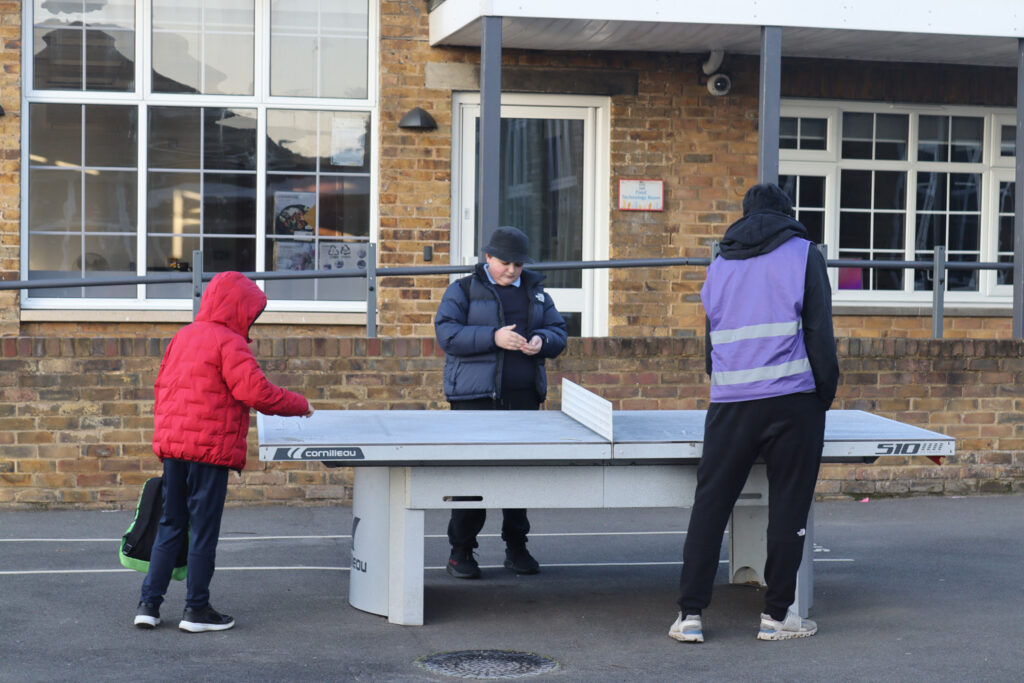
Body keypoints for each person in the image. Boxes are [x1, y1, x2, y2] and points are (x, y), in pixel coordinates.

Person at [668, 183, 840, 643]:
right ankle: (777, 616)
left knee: (711, 504)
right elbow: (819, 331)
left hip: (730, 402)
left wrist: (723, 382)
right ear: (787, 213)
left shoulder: (720, 262)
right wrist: (823, 394)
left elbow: (712, 340)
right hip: (793, 401)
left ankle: (689, 616)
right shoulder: (804, 254)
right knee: (787, 505)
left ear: (744, 216)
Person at [134, 271, 314, 632]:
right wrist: (301, 404)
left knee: (171, 524)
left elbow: (161, 388)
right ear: (239, 309)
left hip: (174, 448)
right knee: (202, 529)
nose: (252, 320)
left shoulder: (182, 337)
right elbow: (257, 393)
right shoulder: (229, 342)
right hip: (210, 450)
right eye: (251, 313)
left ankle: (148, 606)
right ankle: (196, 610)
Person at [434, 225, 568, 579]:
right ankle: (461, 552)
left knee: (518, 478)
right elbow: (447, 334)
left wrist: (542, 340)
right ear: (487, 257)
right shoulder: (461, 290)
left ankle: (517, 547)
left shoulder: (537, 293)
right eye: (505, 262)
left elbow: (559, 331)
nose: (512, 270)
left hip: (523, 399)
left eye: (518, 265)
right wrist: (493, 337)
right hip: (474, 401)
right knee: (471, 481)